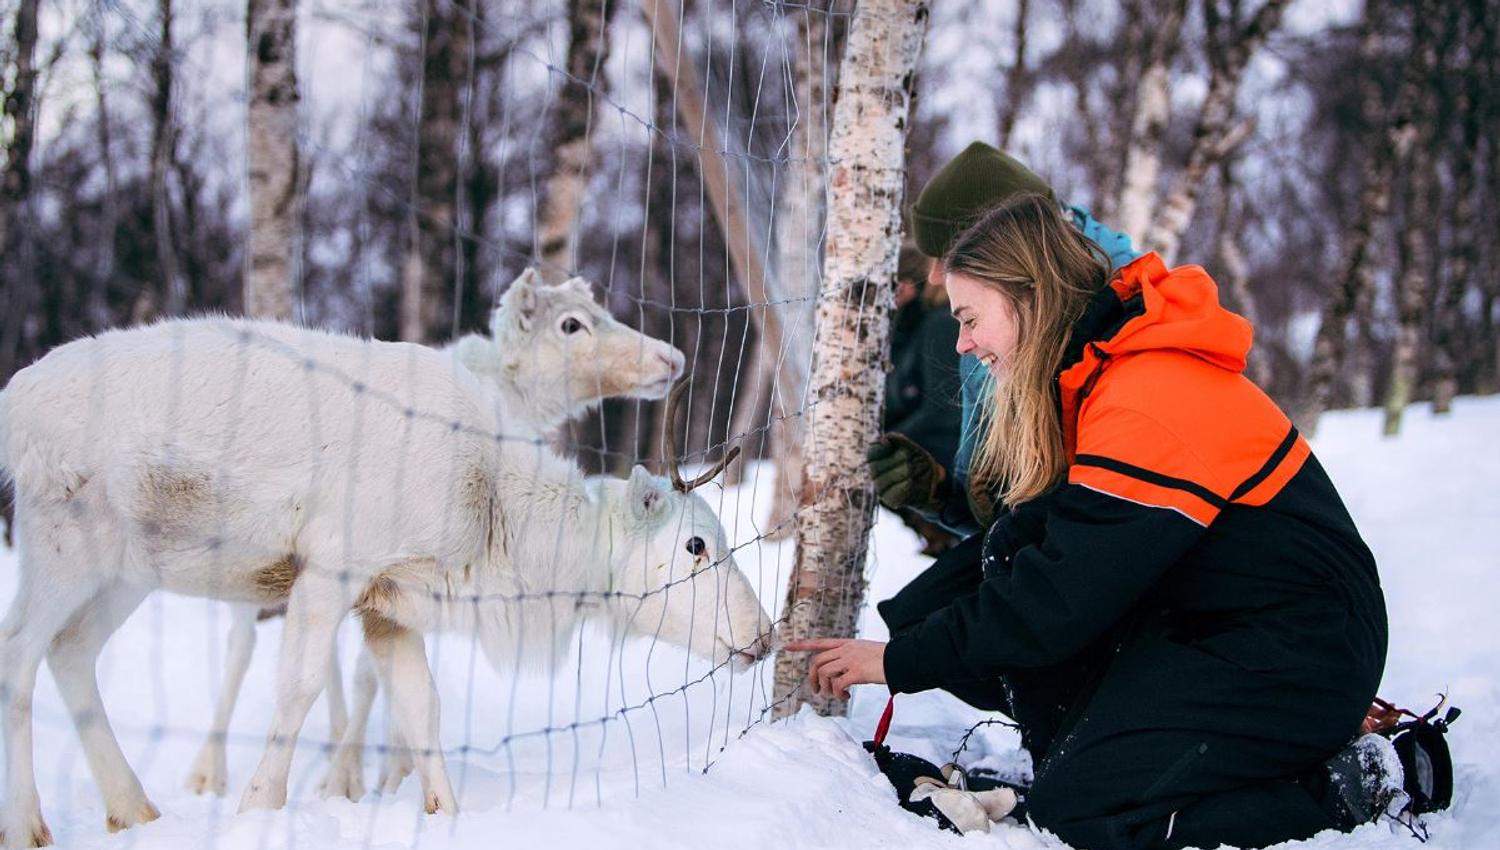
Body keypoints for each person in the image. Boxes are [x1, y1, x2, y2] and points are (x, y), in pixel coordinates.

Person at [789, 194, 1392, 850]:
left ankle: (1361, 781)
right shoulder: (1101, 373)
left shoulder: (1145, 396)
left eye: (970, 319)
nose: (962, 342)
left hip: (1301, 648)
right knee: (987, 570)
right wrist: (923, 621)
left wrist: (901, 661)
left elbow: (1057, 600)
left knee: (1079, 809)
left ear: (1027, 297)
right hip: (1214, 625)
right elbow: (1043, 548)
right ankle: (1097, 750)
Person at [869, 142, 1140, 540]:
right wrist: (941, 492)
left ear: (1006, 251)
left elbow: (1089, 534)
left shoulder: (1121, 327)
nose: (933, 277)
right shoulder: (990, 329)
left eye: (949, 256)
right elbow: (1002, 511)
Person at [879, 244, 964, 555]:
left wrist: (888, 443)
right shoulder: (907, 326)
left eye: (890, 285)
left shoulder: (939, 325)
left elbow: (944, 409)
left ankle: (941, 535)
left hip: (943, 462)